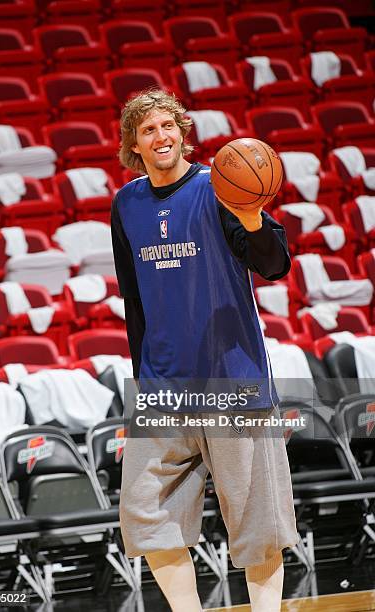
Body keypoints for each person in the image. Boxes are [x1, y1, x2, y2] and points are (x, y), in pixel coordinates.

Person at [111, 89, 298, 612]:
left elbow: (274, 264)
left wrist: (256, 218)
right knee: (146, 518)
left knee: (258, 522)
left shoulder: (220, 188)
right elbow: (134, 300)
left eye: (168, 126)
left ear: (183, 132)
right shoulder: (126, 203)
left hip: (233, 379)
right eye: (148, 130)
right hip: (164, 386)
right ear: (135, 144)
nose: (161, 136)